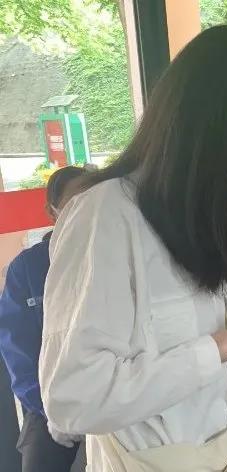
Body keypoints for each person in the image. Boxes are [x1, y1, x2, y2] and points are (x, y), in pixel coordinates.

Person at [38, 26, 227, 471]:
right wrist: (226, 343)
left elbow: (199, 350)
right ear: (204, 131)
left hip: (220, 450)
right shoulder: (104, 215)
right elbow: (73, 401)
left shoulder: (193, 212)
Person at [0, 166, 87, 472]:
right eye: (75, 202)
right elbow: (18, 353)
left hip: (110, 392)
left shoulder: (113, 257)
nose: (86, 210)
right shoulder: (27, 269)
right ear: (53, 211)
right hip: (48, 404)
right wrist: (50, 409)